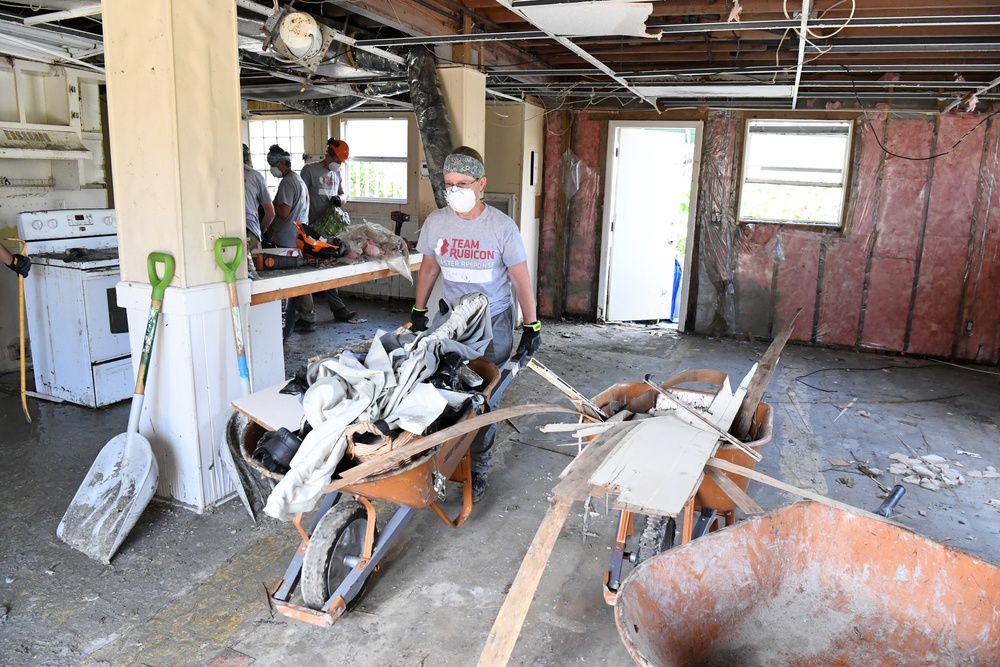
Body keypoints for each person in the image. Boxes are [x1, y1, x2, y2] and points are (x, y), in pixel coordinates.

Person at [409, 146, 542, 503]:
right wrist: (418, 310)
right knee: (440, 387)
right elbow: (430, 268)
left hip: (493, 322)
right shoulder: (437, 222)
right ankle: (442, 458)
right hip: (451, 321)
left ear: (481, 184)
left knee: (483, 397)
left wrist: (531, 326)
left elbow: (521, 280)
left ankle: (478, 467)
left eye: (463, 183)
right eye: (449, 183)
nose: (455, 190)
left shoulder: (501, 227)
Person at [296, 137, 357, 330]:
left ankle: (337, 308)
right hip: (311, 229)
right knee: (306, 270)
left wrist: (339, 198)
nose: (339, 164)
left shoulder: (336, 174)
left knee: (328, 267)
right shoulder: (309, 171)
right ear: (328, 154)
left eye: (341, 162)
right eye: (337, 160)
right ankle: (307, 316)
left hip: (329, 229)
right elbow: (300, 196)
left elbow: (343, 193)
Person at [264, 144, 310, 340]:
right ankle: (308, 316)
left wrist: (266, 206)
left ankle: (303, 317)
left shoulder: (288, 183)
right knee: (299, 277)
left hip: (287, 237)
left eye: (273, 163)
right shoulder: (297, 179)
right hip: (296, 235)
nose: (272, 167)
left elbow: (283, 211)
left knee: (290, 279)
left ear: (283, 161)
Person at [243, 143, 275, 274]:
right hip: (250, 230)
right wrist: (261, 230)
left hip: (226, 231)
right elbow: (270, 213)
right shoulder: (255, 176)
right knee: (256, 273)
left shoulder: (222, 174)